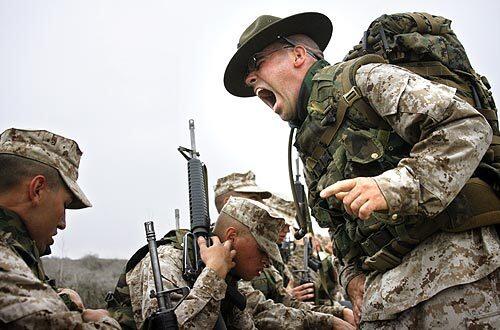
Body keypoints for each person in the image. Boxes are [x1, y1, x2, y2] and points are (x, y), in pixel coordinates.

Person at [224, 12, 500, 329]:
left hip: (455, 279)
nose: (250, 79)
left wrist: (393, 187)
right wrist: (351, 276)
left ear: (298, 55)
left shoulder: (362, 80)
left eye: (256, 63)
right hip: (385, 302)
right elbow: (339, 228)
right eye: (248, 73)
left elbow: (465, 127)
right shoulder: (309, 137)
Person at [111, 196, 351, 329]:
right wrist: (213, 274)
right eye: (262, 250)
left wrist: (330, 321)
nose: (267, 261)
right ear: (232, 237)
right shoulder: (167, 262)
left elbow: (258, 313)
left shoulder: (230, 278)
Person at [0, 128, 120, 329]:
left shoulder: (15, 251)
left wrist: (59, 300)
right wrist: (105, 321)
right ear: (37, 189)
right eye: (64, 204)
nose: (62, 223)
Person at [214, 172, 354, 324]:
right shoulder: (225, 254)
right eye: (254, 199)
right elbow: (259, 310)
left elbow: (284, 301)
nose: (262, 204)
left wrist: (336, 314)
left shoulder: (249, 252)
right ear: (230, 202)